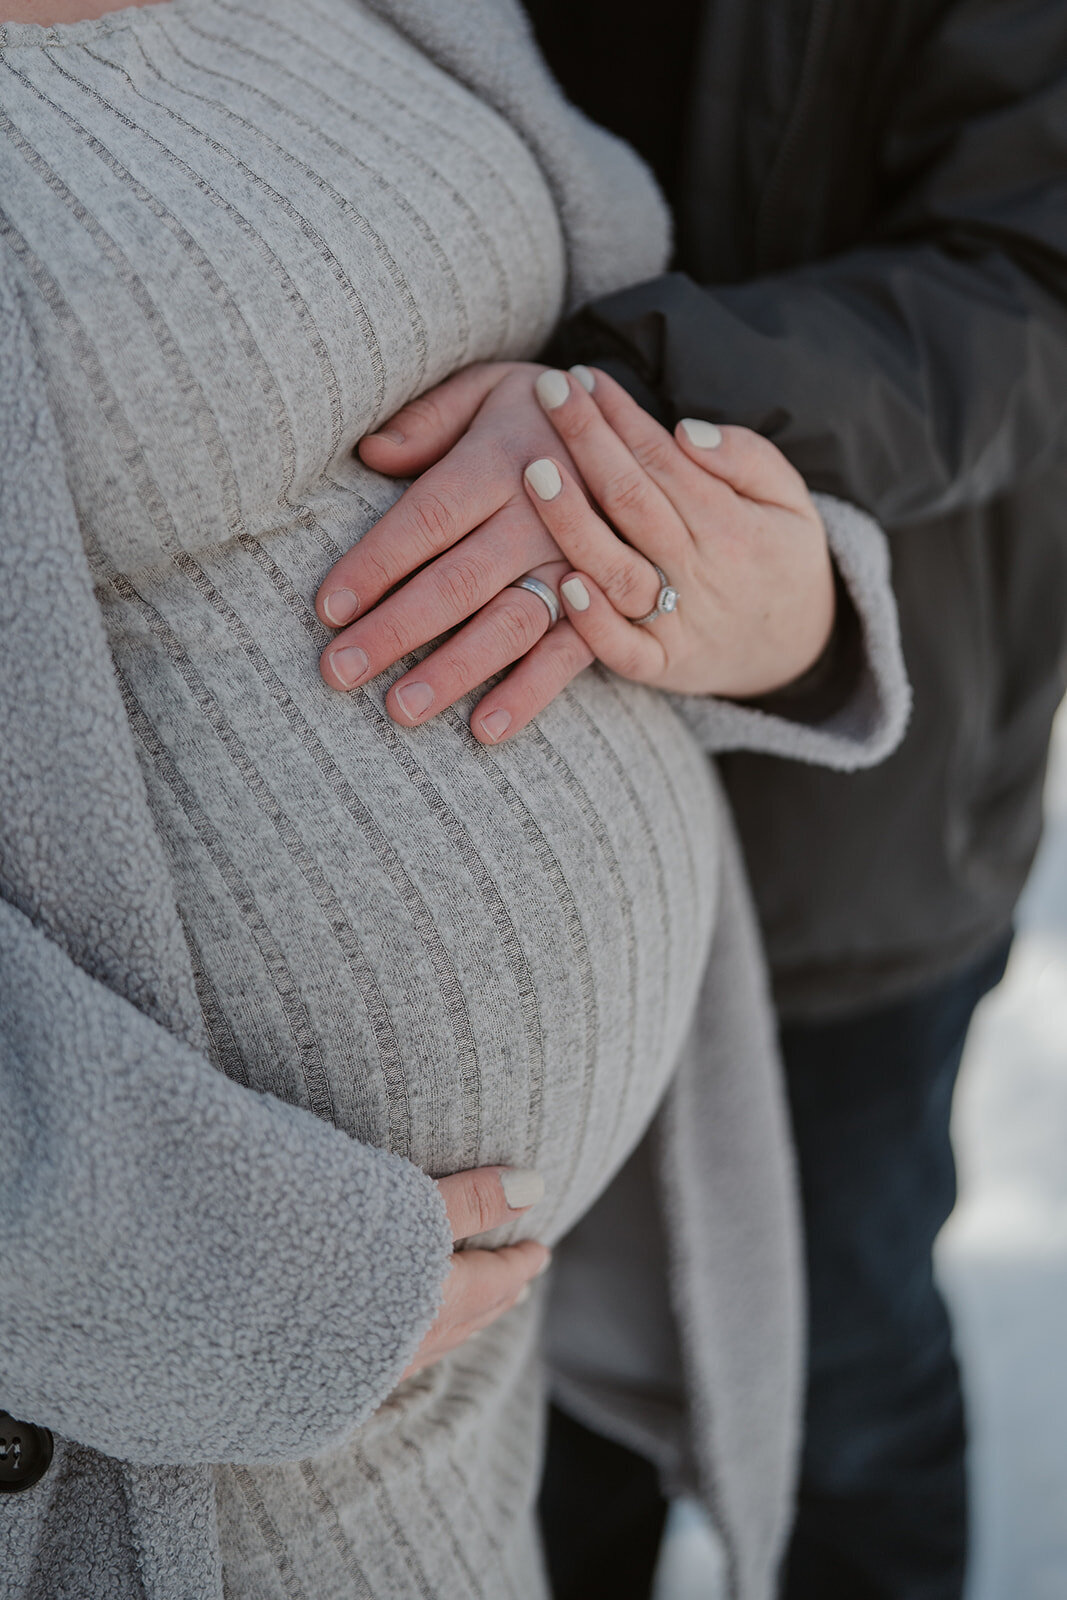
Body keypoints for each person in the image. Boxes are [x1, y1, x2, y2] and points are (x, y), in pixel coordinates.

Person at [0, 2, 909, 1599]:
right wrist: (202, 1286)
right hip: (164, 1440)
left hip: (469, 1405)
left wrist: (785, 608)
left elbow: (594, 382)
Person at [328, 2, 1067, 1596]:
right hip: (464, 878)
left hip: (855, 848)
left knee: (839, 1391)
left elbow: (1036, 280)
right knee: (520, 1408)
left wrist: (637, 416)